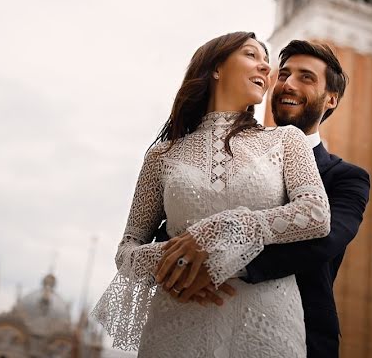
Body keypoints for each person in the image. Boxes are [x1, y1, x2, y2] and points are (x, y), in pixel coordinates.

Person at [92, 32, 331, 357]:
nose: (266, 67)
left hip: (267, 325)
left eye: (266, 62)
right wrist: (173, 262)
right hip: (175, 324)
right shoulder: (162, 155)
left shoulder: (287, 140)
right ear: (216, 67)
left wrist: (224, 228)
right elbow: (126, 250)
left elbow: (315, 214)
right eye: (252, 55)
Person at [157, 39, 371, 358]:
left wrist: (217, 265)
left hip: (298, 336)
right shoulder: (219, 152)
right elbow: (178, 225)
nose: (288, 84)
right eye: (283, 74)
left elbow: (322, 240)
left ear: (331, 99)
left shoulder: (347, 177)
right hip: (197, 320)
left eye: (306, 77)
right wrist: (177, 262)